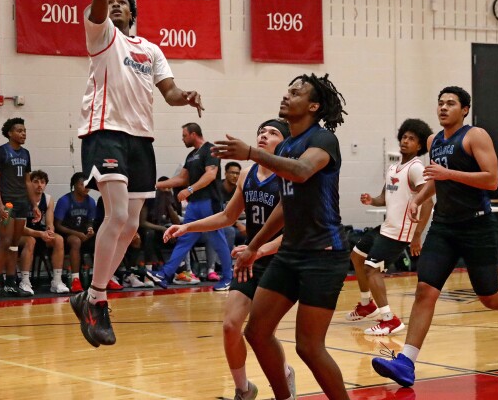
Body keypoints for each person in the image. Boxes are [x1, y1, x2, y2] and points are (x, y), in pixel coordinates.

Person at [70, 0, 204, 348]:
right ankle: (99, 299)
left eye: (120, 3)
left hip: (141, 140)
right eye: (108, 3)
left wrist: (183, 96)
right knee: (116, 216)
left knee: (129, 225)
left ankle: (92, 295)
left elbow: (167, 92)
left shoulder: (150, 49)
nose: (112, 5)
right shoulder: (101, 35)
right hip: (105, 130)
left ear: (133, 12)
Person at [371, 86, 498, 388]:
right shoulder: (434, 141)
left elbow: (492, 179)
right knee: (425, 290)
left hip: (477, 226)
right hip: (445, 227)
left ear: (464, 110)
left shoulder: (476, 136)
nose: (443, 108)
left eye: (451, 103)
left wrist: (451, 176)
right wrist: (418, 200)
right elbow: (436, 178)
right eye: (440, 103)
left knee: (489, 296)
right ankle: (406, 362)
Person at [213, 73, 351, 400]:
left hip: (324, 254)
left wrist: (251, 152)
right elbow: (286, 205)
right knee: (257, 333)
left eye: (296, 93)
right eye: (287, 91)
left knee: (309, 347)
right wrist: (254, 246)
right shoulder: (287, 145)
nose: (287, 96)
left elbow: (301, 171)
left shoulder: (323, 140)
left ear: (314, 106)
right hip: (290, 254)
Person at [165, 119, 293, 400]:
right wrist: (187, 226)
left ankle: (284, 377)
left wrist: (258, 249)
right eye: (261, 131)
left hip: (282, 260)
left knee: (262, 332)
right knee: (230, 326)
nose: (264, 135)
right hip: (253, 259)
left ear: (284, 143)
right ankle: (244, 390)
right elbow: (226, 217)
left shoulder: (289, 178)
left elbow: (295, 232)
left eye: (273, 133)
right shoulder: (247, 175)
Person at [346, 118, 434, 336]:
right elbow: (384, 197)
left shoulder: (416, 168)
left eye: (411, 139)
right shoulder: (394, 167)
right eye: (404, 136)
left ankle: (389, 319)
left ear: (420, 145)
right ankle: (367, 305)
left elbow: (429, 201)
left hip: (401, 232)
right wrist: (371, 200)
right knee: (356, 257)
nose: (405, 141)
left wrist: (417, 235)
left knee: (372, 269)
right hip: (386, 226)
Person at [150, 123, 232, 291]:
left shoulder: (211, 149)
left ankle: (229, 277)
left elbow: (210, 175)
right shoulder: (191, 155)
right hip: (195, 204)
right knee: (184, 237)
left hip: (210, 201)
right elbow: (181, 179)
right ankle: (165, 274)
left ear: (194, 134)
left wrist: (189, 190)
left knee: (217, 238)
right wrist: (155, 185)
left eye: (184, 135)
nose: (182, 139)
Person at [0, 117, 40, 300]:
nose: (23, 133)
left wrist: (34, 204)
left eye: (25, 130)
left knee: (14, 243)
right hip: (7, 203)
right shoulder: (0, 153)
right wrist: (0, 204)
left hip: (22, 203)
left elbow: (27, 181)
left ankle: (11, 282)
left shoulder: (26, 154)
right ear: (10, 133)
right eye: (19, 130)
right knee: (5, 240)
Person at [17, 170, 69, 295]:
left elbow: (50, 222)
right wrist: (40, 234)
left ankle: (56, 281)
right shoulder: (22, 199)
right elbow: (21, 228)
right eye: (35, 182)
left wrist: (50, 231)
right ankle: (24, 281)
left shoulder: (48, 199)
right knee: (30, 240)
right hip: (21, 234)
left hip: (38, 232)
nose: (39, 185)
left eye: (42, 182)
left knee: (58, 239)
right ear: (29, 184)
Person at [54, 172, 97, 293]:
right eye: (83, 184)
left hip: (83, 234)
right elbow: (58, 225)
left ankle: (108, 277)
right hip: (66, 235)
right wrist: (78, 234)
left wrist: (90, 229)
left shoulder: (91, 201)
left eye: (88, 184)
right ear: (75, 185)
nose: (86, 187)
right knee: (76, 240)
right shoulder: (65, 200)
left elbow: (90, 221)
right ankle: (75, 279)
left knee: (103, 239)